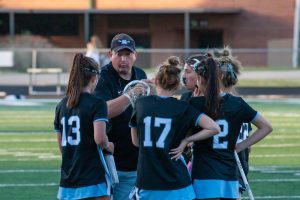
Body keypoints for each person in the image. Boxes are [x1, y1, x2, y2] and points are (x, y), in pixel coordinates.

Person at [172, 55, 273, 200]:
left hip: (204, 172)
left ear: (200, 78)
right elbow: (266, 127)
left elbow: (182, 135)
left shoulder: (196, 104)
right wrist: (240, 146)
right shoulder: (237, 103)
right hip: (229, 174)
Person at [129, 56, 220, 200]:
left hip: (147, 181)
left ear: (156, 81)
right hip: (177, 182)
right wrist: (186, 140)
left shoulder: (141, 104)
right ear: (178, 85)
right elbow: (214, 128)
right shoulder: (183, 108)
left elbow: (136, 142)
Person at [94, 33, 147, 200]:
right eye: (119, 54)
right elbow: (103, 111)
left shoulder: (140, 74)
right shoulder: (102, 76)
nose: (123, 59)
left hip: (136, 159)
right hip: (110, 160)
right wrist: (131, 94)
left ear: (135, 55)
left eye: (128, 54)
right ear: (110, 55)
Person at [54, 53, 114, 200]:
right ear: (94, 78)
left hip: (69, 177)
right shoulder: (97, 103)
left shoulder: (61, 105)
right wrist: (109, 145)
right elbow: (99, 139)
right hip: (93, 176)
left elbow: (62, 146)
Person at [214, 47, 253, 196]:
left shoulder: (220, 106)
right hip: (240, 164)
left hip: (222, 165)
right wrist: (242, 146)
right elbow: (248, 145)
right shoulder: (241, 105)